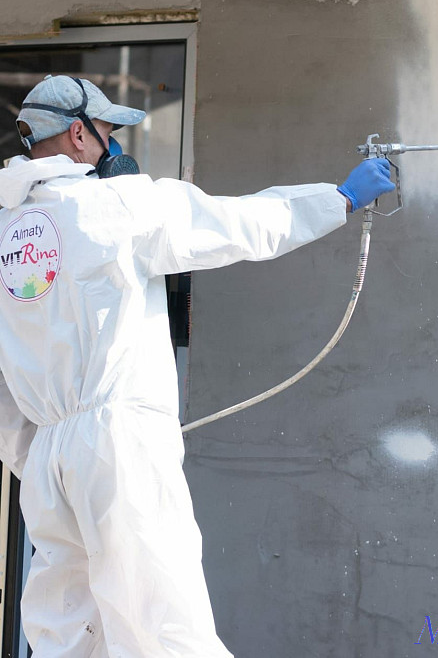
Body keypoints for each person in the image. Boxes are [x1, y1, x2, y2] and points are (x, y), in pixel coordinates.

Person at [0, 74, 394, 658]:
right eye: (109, 132)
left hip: (48, 464)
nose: (115, 148)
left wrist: (34, 460)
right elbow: (236, 224)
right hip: (119, 443)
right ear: (78, 135)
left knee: (68, 633)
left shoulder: (6, 233)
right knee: (163, 623)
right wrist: (337, 199)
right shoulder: (118, 206)